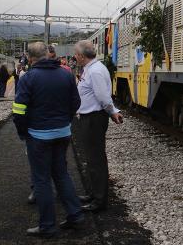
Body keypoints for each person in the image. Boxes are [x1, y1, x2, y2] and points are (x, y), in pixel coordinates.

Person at [12, 42, 83, 237]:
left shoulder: (29, 78)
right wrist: (65, 121)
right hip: (62, 133)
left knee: (42, 180)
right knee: (62, 175)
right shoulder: (66, 74)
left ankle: (47, 226)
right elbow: (76, 102)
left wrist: (23, 132)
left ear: (30, 57)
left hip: (38, 136)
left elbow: (19, 111)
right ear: (47, 55)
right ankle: (76, 216)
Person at [74, 40, 123, 212]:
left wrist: (112, 112)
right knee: (92, 158)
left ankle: (100, 200)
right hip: (89, 118)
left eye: (75, 54)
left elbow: (103, 97)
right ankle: (94, 193)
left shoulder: (95, 71)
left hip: (94, 119)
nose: (74, 57)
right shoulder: (90, 69)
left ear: (81, 56)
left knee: (96, 160)